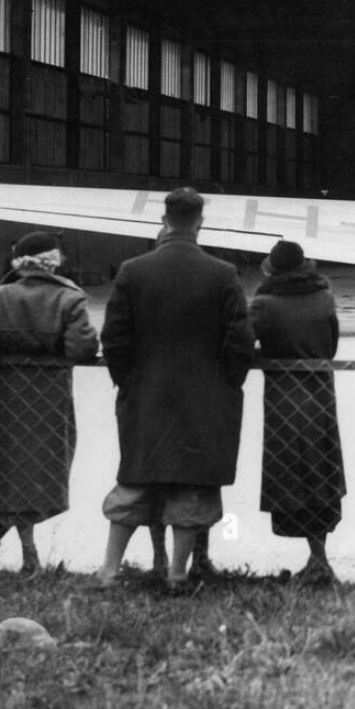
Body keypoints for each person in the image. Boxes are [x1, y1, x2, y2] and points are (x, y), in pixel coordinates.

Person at [97, 188, 255, 592]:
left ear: (164, 221)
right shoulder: (222, 274)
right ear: (199, 223)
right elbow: (239, 341)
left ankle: (110, 570)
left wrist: (128, 381)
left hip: (145, 395)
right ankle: (178, 574)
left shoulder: (132, 270)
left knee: (135, 477)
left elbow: (114, 337)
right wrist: (226, 385)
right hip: (204, 399)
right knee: (191, 486)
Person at [0, 231, 99, 573]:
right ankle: (19, 549)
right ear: (54, 261)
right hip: (50, 401)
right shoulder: (69, 299)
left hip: (6, 400)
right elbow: (82, 348)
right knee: (41, 478)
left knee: (11, 476)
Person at [249, 239, 345, 585]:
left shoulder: (263, 302)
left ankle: (315, 560)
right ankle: (319, 556)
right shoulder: (324, 294)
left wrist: (264, 358)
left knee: (292, 474)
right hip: (320, 393)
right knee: (321, 472)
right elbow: (332, 345)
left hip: (283, 397)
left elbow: (243, 344)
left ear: (272, 268)